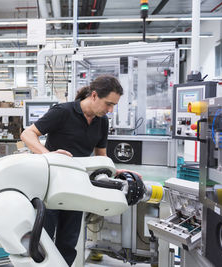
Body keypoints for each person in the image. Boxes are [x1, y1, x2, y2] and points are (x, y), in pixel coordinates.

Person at [21, 75, 141, 266]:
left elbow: (101, 156)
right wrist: (49, 155)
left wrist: (116, 172)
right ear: (94, 95)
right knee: (43, 241)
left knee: (68, 242)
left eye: (113, 106)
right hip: (49, 185)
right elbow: (27, 134)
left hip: (77, 186)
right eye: (108, 104)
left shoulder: (102, 122)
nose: (110, 110)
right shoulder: (63, 111)